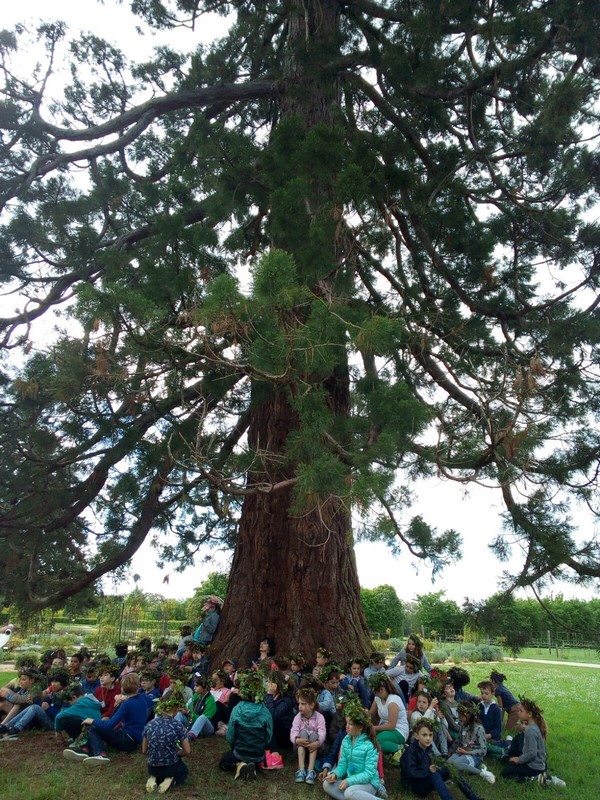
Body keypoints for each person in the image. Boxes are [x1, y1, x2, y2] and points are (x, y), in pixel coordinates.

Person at [63, 672, 147, 764]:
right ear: (138, 685)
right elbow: (136, 697)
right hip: (137, 740)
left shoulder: (126, 704)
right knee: (97, 726)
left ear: (122, 688)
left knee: (94, 727)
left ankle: (99, 753)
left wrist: (92, 721)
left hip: (127, 740)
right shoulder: (143, 699)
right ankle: (85, 749)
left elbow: (110, 724)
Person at [219, 671, 273, 781]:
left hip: (240, 752)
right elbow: (269, 736)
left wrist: (234, 746)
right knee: (253, 758)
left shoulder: (237, 709)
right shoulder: (265, 711)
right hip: (258, 754)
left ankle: (239, 764)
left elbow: (230, 736)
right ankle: (253, 766)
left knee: (223, 762)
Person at [323, 702, 382, 800]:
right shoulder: (346, 740)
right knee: (327, 784)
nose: (346, 726)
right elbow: (343, 765)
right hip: (351, 783)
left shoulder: (369, 745)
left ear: (360, 727)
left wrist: (349, 781)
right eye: (347, 723)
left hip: (368, 784)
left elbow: (369, 774)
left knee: (349, 793)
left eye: (350, 724)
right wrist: (335, 774)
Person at [0, 668, 70, 740]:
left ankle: (16, 729)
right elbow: (42, 705)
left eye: (56, 681)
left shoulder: (66, 696)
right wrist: (35, 701)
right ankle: (6, 727)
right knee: (33, 706)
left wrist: (49, 708)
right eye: (52, 681)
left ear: (63, 682)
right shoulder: (53, 693)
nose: (53, 684)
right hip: (45, 719)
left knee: (34, 707)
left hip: (55, 724)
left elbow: (64, 716)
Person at [143, 694, 190, 793]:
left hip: (152, 766)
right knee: (183, 770)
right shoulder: (178, 725)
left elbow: (144, 750)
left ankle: (154, 778)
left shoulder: (150, 724)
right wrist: (178, 753)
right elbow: (187, 750)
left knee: (157, 770)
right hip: (170, 765)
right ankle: (170, 779)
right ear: (176, 709)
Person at [400, 718, 454, 800]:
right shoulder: (410, 751)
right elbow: (412, 774)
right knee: (435, 776)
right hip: (413, 784)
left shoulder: (428, 749)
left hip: (425, 777)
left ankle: (472, 796)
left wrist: (435, 767)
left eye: (430, 735)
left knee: (449, 769)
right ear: (417, 736)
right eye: (424, 735)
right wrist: (429, 771)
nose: (428, 738)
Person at [447, 701, 496, 784]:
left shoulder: (478, 729)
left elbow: (483, 750)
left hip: (474, 756)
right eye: (459, 716)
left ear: (469, 716)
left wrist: (467, 752)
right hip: (462, 752)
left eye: (462, 717)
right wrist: (451, 751)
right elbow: (458, 740)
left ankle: (482, 773)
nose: (460, 719)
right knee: (448, 764)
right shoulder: (463, 726)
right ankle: (456, 775)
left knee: (456, 763)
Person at [367, 674, 408, 760]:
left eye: (376, 692)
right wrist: (361, 712)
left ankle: (401, 747)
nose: (375, 694)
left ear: (381, 689)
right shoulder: (378, 698)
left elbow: (391, 726)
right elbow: (370, 713)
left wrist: (374, 728)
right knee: (368, 737)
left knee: (378, 741)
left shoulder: (393, 701)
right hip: (385, 728)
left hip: (398, 730)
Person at [291, 687, 327, 784]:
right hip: (300, 746)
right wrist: (296, 740)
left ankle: (310, 770)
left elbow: (322, 733)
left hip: (316, 747)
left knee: (314, 734)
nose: (300, 706)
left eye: (303, 704)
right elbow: (293, 732)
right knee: (302, 732)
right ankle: (301, 769)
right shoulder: (297, 717)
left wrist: (317, 743)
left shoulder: (319, 717)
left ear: (311, 705)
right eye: (299, 704)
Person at [265, 671, 295, 751]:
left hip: (282, 737)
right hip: (273, 734)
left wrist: (269, 695)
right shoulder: (269, 696)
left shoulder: (285, 700)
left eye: (269, 682)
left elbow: (272, 716)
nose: (267, 684)